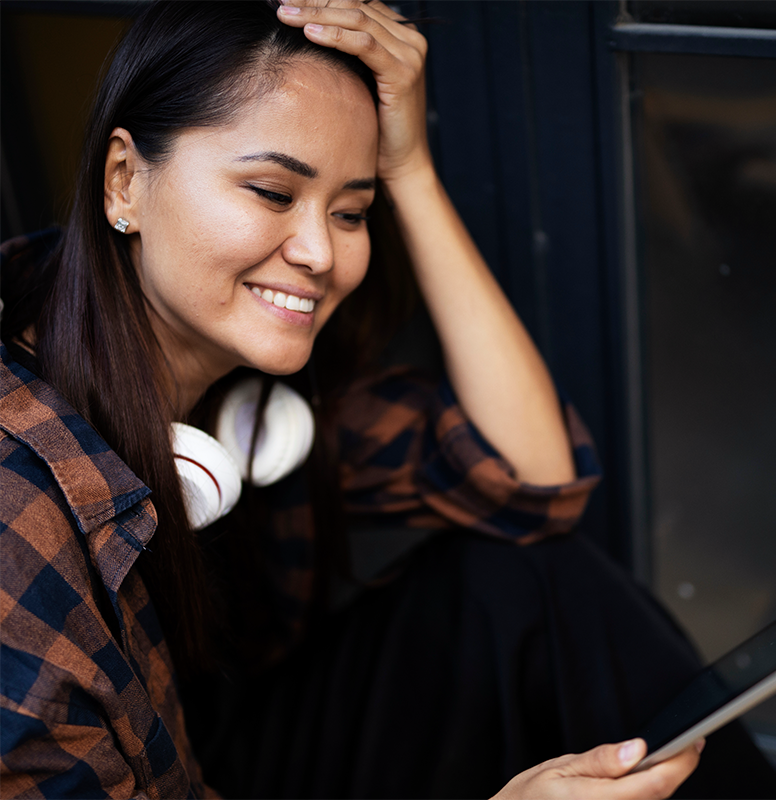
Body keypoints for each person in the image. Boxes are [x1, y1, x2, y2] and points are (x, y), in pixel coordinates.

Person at [0, 0, 719, 796]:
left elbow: (535, 486)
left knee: (518, 581)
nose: (319, 253)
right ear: (125, 181)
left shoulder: (251, 383)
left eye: (351, 211)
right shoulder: (16, 509)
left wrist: (409, 170)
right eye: (273, 192)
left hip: (229, 747)